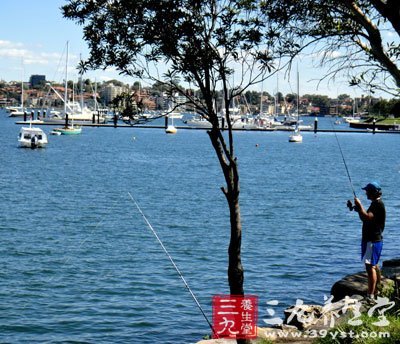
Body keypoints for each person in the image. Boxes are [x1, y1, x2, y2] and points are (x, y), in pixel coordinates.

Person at [353, 181, 386, 300]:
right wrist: (357, 208)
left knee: (370, 267)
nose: (366, 193)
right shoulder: (375, 204)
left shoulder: (378, 205)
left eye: (367, 191)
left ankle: (370, 295)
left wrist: (360, 205)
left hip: (372, 241)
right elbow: (365, 218)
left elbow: (367, 217)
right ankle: (377, 289)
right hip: (371, 240)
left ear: (373, 192)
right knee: (374, 265)